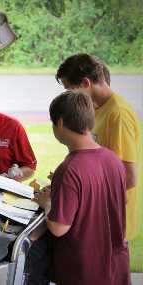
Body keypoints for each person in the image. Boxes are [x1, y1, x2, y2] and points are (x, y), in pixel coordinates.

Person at [34, 91, 130, 285]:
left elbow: (59, 227)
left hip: (83, 272)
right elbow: (116, 201)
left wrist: (47, 203)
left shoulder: (69, 169)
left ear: (60, 123)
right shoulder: (113, 160)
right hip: (115, 268)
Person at [56, 53, 141, 240]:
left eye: (70, 89)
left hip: (114, 218)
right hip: (100, 212)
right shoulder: (96, 108)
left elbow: (129, 177)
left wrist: (83, 197)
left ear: (86, 83)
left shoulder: (118, 114)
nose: (69, 96)